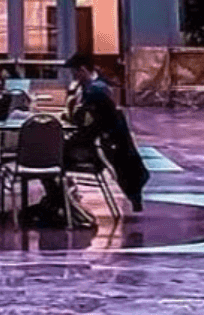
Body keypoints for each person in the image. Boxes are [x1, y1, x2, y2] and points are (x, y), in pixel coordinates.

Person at [64, 53, 149, 213]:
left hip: (96, 147)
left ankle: (62, 203)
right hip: (102, 142)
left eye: (75, 73)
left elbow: (87, 123)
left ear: (82, 70)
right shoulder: (95, 86)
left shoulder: (95, 91)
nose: (74, 77)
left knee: (53, 158)